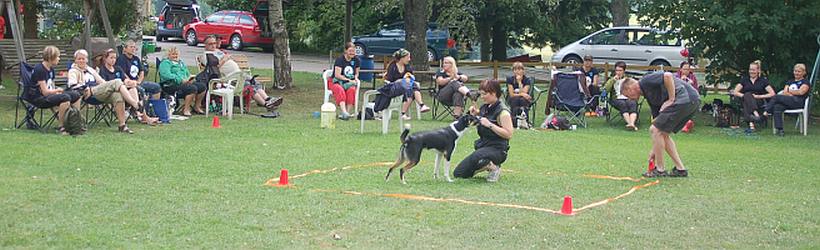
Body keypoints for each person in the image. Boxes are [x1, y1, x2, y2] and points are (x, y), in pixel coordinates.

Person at [621, 71, 700, 177]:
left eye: (627, 95)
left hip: (684, 98)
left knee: (655, 130)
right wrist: (654, 150)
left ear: (630, 88)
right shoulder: (650, 98)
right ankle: (680, 169)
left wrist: (671, 99)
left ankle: (660, 170)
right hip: (692, 101)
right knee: (662, 132)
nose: (629, 99)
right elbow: (658, 125)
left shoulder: (645, 81)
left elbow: (667, 76)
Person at [68, 49, 146, 133]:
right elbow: (72, 85)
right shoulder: (73, 71)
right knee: (117, 81)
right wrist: (85, 88)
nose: (81, 60)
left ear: (86, 60)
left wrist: (109, 86)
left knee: (117, 95)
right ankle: (135, 104)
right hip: (87, 94)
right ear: (75, 60)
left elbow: (101, 81)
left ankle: (122, 125)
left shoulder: (90, 69)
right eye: (79, 59)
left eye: (83, 58)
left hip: (99, 92)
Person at [198, 36, 282, 114]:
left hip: (238, 73)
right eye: (210, 44)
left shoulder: (218, 51)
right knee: (248, 86)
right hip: (228, 78)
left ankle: (268, 99)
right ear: (205, 45)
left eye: (214, 43)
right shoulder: (205, 55)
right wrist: (224, 59)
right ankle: (266, 104)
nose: (213, 45)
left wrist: (228, 58)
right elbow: (213, 68)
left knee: (255, 82)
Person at [453, 80, 513, 182]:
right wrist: (475, 114)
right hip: (483, 146)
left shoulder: (503, 112)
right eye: (481, 94)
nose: (482, 97)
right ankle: (485, 165)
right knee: (458, 173)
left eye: (484, 94)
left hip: (498, 149)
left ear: (494, 93)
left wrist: (490, 125)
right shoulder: (485, 107)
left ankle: (494, 168)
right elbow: (479, 120)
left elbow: (508, 134)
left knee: (477, 156)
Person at [23, 46, 81, 135]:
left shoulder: (51, 69)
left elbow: (51, 86)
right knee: (65, 97)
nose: (59, 59)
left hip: (49, 95)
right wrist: (56, 91)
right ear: (51, 58)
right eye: (57, 57)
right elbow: (45, 92)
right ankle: (61, 127)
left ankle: (75, 122)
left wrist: (56, 91)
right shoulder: (40, 69)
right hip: (38, 98)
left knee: (76, 95)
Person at [96, 48, 160, 125]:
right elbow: (104, 85)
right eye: (111, 58)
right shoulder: (103, 70)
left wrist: (131, 82)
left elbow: (125, 79)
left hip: (125, 92)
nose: (113, 60)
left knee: (133, 88)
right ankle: (138, 111)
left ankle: (138, 111)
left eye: (115, 58)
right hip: (112, 93)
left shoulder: (117, 68)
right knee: (125, 87)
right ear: (105, 59)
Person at [384, 48, 430, 120]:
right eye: (408, 57)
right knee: (411, 86)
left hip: (406, 87)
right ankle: (421, 105)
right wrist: (401, 80)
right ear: (402, 58)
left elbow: (410, 76)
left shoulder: (407, 66)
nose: (409, 59)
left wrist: (407, 79)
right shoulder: (392, 66)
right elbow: (389, 80)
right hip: (394, 88)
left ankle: (404, 113)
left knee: (412, 87)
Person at [765, 63, 811, 136]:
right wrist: (791, 93)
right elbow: (785, 92)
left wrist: (790, 92)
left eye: (799, 71)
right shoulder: (790, 81)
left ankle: (766, 111)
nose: (796, 73)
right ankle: (780, 130)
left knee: (776, 97)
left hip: (798, 102)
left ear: (803, 72)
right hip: (788, 101)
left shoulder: (805, 82)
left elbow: (801, 92)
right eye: (795, 71)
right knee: (777, 107)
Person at [116, 40, 163, 111]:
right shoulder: (121, 59)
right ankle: (140, 111)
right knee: (141, 90)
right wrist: (132, 82)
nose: (133, 49)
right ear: (125, 49)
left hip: (138, 82)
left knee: (156, 87)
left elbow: (141, 72)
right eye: (131, 47)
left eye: (134, 47)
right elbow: (122, 74)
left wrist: (139, 81)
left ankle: (153, 109)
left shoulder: (136, 59)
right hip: (128, 84)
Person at [731, 60, 775, 132]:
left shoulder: (763, 80)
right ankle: (756, 116)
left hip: (758, 101)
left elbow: (772, 93)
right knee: (747, 95)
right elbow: (735, 92)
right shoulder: (745, 79)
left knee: (747, 100)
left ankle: (752, 124)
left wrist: (758, 96)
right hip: (745, 99)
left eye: (753, 70)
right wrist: (745, 96)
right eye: (750, 69)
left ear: (758, 70)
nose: (751, 71)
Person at [159, 46, 202, 116]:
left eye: (176, 54)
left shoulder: (181, 63)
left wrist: (190, 78)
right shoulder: (165, 63)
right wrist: (180, 80)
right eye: (173, 54)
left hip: (185, 82)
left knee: (201, 86)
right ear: (168, 55)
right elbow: (166, 75)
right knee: (192, 88)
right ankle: (186, 109)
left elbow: (187, 73)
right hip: (170, 85)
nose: (175, 56)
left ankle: (197, 106)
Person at [604, 61, 639, 130]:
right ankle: (630, 124)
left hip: (628, 97)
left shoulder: (628, 79)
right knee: (622, 104)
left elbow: (635, 88)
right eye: (617, 70)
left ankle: (631, 124)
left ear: (624, 71)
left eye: (620, 70)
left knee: (633, 103)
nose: (618, 72)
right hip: (616, 99)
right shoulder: (611, 79)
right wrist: (613, 80)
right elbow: (605, 89)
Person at [331, 42, 360, 120]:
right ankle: (344, 111)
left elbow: (357, 73)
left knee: (352, 90)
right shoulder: (340, 60)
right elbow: (337, 75)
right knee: (340, 89)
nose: (352, 53)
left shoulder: (356, 60)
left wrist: (355, 79)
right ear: (346, 51)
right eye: (350, 51)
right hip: (337, 81)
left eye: (353, 51)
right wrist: (348, 80)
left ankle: (347, 113)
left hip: (349, 82)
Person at [505, 62, 532, 128]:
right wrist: (522, 94)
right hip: (512, 99)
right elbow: (511, 94)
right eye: (515, 70)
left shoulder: (527, 80)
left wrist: (519, 82)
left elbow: (525, 92)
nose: (517, 71)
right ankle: (513, 122)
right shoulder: (510, 79)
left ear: (523, 70)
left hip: (524, 99)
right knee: (515, 99)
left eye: (519, 69)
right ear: (513, 71)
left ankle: (525, 122)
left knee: (523, 100)